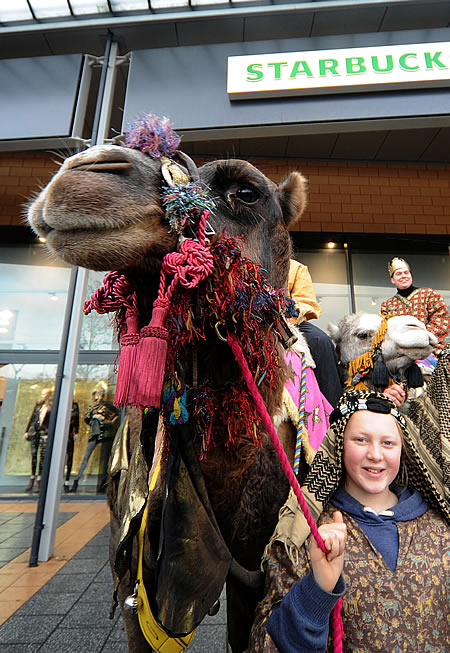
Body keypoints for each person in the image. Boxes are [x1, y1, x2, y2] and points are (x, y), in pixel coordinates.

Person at [249, 389, 449, 652]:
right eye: (361, 440)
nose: (375, 454)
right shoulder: (308, 535)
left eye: (388, 443)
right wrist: (317, 589)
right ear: (339, 444)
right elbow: (265, 645)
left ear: (404, 449)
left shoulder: (440, 531)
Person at [288, 259, 343, 406]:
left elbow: (306, 302)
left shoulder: (296, 267)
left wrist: (290, 314)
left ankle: (334, 408)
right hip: (251, 319)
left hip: (290, 320)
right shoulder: (247, 263)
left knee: (321, 340)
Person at [380, 256, 449, 354]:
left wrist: (420, 337)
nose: (403, 276)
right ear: (392, 280)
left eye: (406, 273)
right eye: (398, 274)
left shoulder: (429, 294)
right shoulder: (387, 305)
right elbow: (387, 331)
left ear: (411, 276)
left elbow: (442, 320)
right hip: (401, 352)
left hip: (431, 349)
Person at [69, 388, 120, 493]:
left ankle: (104, 483)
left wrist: (109, 422)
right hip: (94, 433)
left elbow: (117, 414)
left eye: (99, 393)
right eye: (96, 393)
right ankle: (76, 482)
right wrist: (94, 418)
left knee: (105, 459)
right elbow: (87, 419)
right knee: (86, 457)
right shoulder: (92, 407)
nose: (98, 395)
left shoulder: (108, 405)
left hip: (106, 434)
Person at [23, 387, 52, 493]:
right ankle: (32, 477)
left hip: (45, 433)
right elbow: (33, 418)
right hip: (35, 432)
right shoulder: (38, 405)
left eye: (45, 394)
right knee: (34, 455)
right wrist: (27, 431)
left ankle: (39, 480)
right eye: (42, 394)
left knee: (42, 457)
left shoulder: (52, 406)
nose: (43, 396)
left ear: (49, 395)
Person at [63, 400, 79, 493]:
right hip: (59, 434)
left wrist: (76, 432)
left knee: (70, 457)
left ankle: (67, 481)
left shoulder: (74, 405)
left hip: (69, 435)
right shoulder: (59, 402)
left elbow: (76, 420)